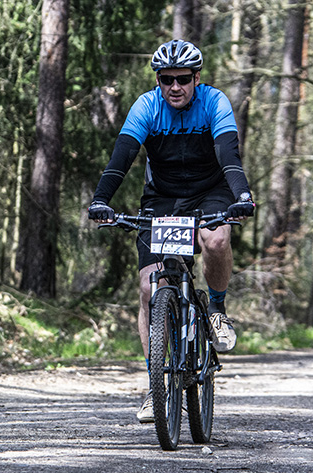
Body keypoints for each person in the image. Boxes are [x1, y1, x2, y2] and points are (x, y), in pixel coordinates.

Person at [87, 40, 255, 423]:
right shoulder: (146, 106)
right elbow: (122, 158)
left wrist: (242, 194)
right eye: (167, 80)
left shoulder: (214, 102)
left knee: (216, 238)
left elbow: (229, 156)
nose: (175, 87)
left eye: (182, 79)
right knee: (149, 288)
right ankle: (155, 387)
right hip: (162, 198)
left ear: (196, 78)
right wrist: (101, 200)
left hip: (210, 192)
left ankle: (215, 310)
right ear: (158, 81)